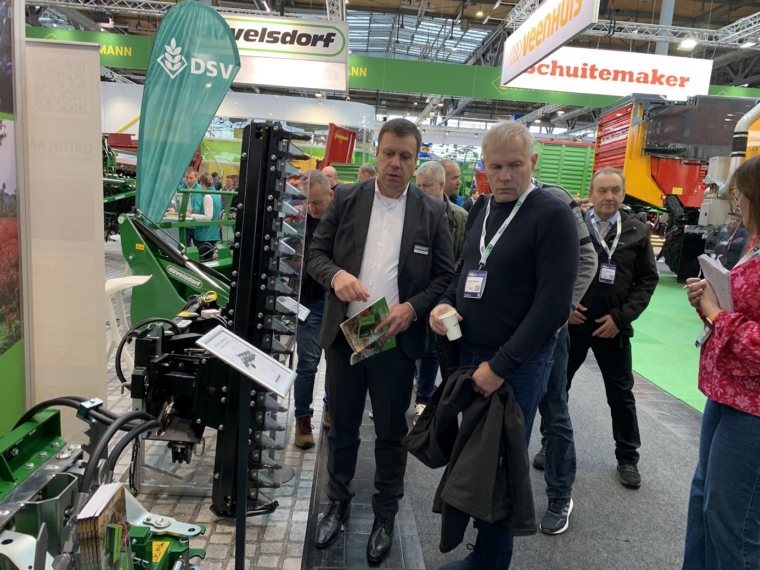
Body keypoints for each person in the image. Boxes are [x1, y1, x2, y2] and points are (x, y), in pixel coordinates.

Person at [430, 121, 579, 569]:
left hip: (517, 365)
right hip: (469, 354)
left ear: (533, 162)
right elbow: (466, 271)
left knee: (499, 467)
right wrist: (444, 303)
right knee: (475, 463)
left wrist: (500, 367)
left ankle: (491, 561)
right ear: (484, 168)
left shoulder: (552, 216)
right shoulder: (482, 207)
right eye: (496, 167)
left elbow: (552, 307)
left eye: (515, 165)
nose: (505, 176)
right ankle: (482, 553)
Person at [306, 118, 455, 563]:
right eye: (389, 153)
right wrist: (336, 276)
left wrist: (413, 308)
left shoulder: (431, 212)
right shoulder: (347, 199)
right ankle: (337, 504)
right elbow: (315, 254)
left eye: (405, 156)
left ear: (416, 160)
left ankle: (385, 515)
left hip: (394, 339)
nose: (395, 163)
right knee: (343, 428)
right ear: (376, 153)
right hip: (346, 337)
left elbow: (445, 276)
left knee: (392, 433)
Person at [683, 155, 760, 569]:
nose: (737, 204)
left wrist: (716, 314)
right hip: (728, 391)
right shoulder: (753, 244)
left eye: (741, 195)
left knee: (735, 525)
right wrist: (709, 301)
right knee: (706, 503)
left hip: (752, 408)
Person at [566, 167, 658, 489]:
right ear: (590, 194)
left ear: (623, 194)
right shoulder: (571, 226)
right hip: (574, 323)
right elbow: (554, 270)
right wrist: (565, 309)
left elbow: (646, 281)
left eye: (615, 191)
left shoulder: (637, 231)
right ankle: (552, 443)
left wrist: (621, 318)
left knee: (620, 395)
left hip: (614, 327)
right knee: (557, 388)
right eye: (602, 190)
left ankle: (628, 457)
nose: (609, 197)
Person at [413, 160, 467, 423]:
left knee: (436, 350)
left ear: (441, 185)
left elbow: (463, 258)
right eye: (418, 185)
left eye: (427, 186)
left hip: (445, 295)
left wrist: (444, 285)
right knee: (410, 346)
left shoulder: (459, 217)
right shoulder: (412, 212)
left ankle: (425, 401)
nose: (421, 191)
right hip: (415, 294)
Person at [294, 170, 334, 449]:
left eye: (316, 202)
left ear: (330, 194)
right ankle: (303, 418)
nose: (311, 207)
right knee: (308, 364)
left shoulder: (342, 222)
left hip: (337, 302)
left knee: (336, 363)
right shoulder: (297, 224)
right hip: (308, 303)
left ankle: (331, 408)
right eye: (306, 201)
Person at [189, 173, 222, 260]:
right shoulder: (216, 195)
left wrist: (192, 215)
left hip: (204, 235)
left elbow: (208, 217)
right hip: (213, 234)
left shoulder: (207, 196)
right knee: (209, 261)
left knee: (201, 261)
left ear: (202, 183)